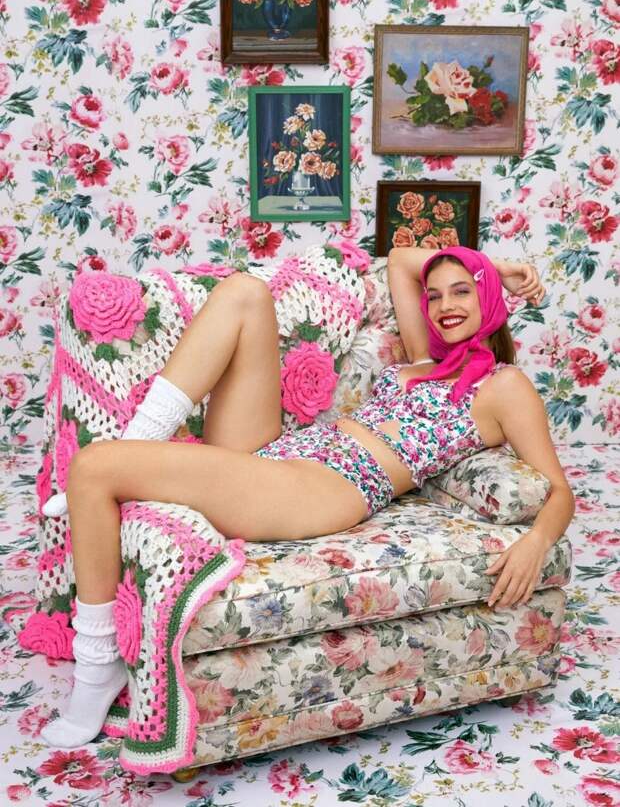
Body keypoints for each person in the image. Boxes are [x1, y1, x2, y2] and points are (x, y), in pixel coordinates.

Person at [40, 245, 575, 749]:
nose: (443, 306)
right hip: (283, 452)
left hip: (325, 484)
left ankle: (97, 666)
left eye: (463, 291)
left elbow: (558, 490)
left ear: (489, 300)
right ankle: (139, 440)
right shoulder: (423, 358)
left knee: (93, 467)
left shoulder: (505, 386)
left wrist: (536, 542)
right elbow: (400, 261)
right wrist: (496, 267)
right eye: (434, 295)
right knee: (244, 292)